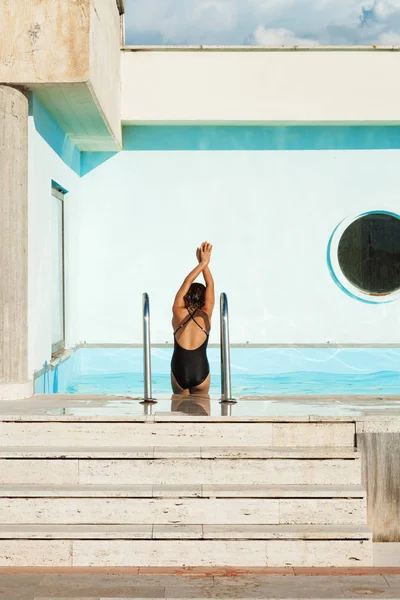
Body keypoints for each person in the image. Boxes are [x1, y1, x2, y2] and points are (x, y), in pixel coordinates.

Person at [171, 242, 214, 395]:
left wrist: (201, 264)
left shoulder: (177, 311)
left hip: (179, 370)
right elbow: (209, 284)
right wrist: (205, 263)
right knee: (202, 414)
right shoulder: (206, 313)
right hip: (200, 369)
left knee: (178, 414)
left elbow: (186, 282)